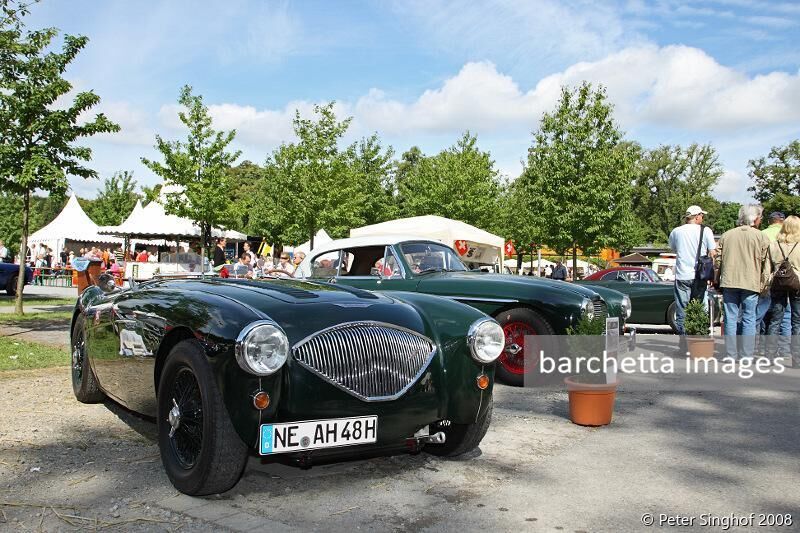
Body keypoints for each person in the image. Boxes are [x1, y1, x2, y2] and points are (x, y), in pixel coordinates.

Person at [717, 204, 771, 359]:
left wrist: (718, 277)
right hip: (751, 282)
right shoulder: (761, 237)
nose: (760, 220)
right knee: (749, 318)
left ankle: (731, 354)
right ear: (754, 219)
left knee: (730, 318)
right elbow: (766, 264)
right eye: (759, 217)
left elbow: (718, 261)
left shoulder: (727, 235)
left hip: (729, 281)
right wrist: (764, 283)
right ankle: (746, 355)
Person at [668, 205, 717, 335]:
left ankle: (684, 343)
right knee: (698, 309)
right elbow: (713, 252)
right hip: (699, 275)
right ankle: (698, 338)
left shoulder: (676, 231)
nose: (703, 218)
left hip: (682, 275)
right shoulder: (706, 231)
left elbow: (673, 248)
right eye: (702, 215)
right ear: (696, 217)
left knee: (681, 310)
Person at [765, 216, 800, 361]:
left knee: (775, 320)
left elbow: (767, 268)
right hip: (797, 283)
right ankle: (797, 358)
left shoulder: (774, 244)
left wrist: (767, 284)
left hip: (777, 283)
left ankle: (770, 355)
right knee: (797, 322)